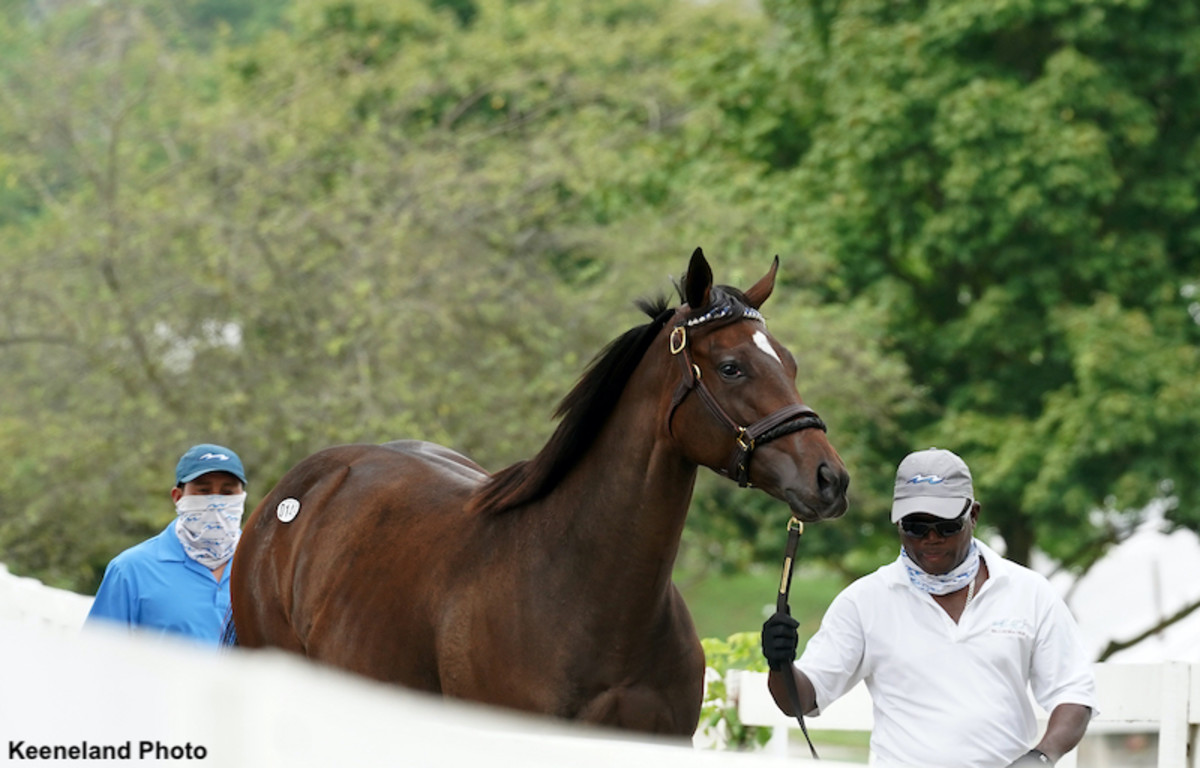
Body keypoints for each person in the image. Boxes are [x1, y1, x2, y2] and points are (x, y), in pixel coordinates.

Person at [761, 447, 1096, 767]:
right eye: (915, 527)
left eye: (946, 525)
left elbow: (1074, 692)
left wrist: (1041, 757)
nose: (931, 539)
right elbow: (800, 701)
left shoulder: (1029, 591)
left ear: (973, 515)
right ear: (897, 523)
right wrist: (780, 664)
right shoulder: (863, 601)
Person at [86, 443, 248, 645]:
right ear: (178, 497)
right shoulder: (130, 570)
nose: (215, 502)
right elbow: (96, 657)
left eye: (227, 493)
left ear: (241, 498)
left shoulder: (264, 566)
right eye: (204, 491)